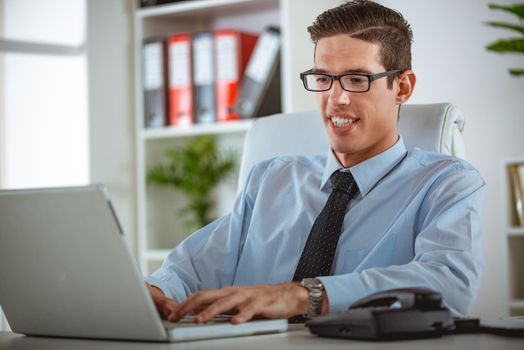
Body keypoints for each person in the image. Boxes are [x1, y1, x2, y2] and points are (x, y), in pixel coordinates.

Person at [145, 0, 484, 324]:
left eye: (356, 79)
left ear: (403, 87)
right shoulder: (271, 178)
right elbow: (189, 270)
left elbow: (449, 283)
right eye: (324, 79)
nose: (336, 99)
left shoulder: (447, 184)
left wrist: (304, 296)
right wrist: (156, 291)